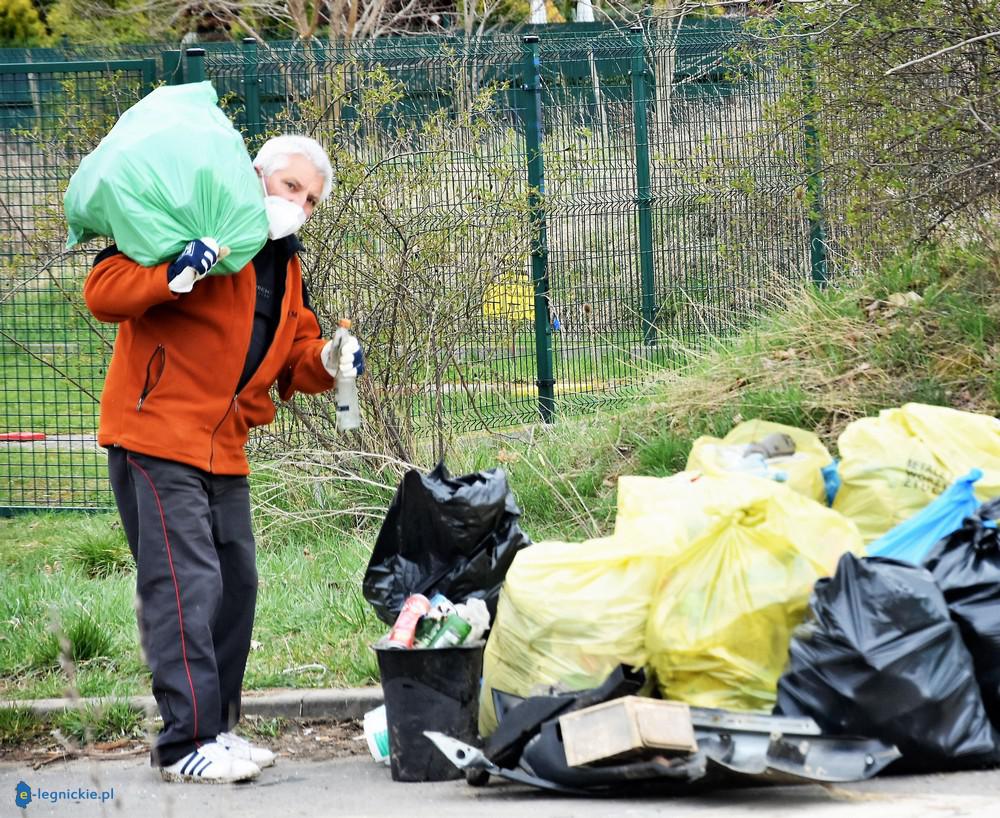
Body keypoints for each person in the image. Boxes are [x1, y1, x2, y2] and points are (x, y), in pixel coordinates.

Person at [82, 135, 363, 784]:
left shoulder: (285, 266)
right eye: (291, 187)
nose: (300, 205)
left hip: (224, 444)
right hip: (155, 431)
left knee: (236, 584)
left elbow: (296, 354)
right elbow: (105, 287)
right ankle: (183, 744)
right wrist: (174, 272)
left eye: (313, 200)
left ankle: (219, 729)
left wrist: (329, 361)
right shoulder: (194, 215)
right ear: (255, 173)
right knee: (186, 583)